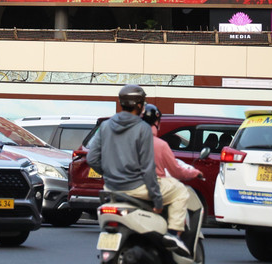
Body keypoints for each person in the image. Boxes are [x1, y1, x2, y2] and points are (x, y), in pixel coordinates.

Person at [87, 85, 187, 253]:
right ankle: (172, 235)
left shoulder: (105, 126)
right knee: (180, 191)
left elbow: (91, 158)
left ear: (122, 103)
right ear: (140, 105)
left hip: (111, 188)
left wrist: (110, 173)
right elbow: (148, 169)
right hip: (137, 188)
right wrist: (157, 201)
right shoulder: (142, 129)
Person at [141, 102, 203, 248]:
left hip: (124, 186)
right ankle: (174, 234)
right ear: (156, 123)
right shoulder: (160, 145)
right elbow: (176, 171)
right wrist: (195, 173)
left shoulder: (127, 141)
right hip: (151, 186)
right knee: (180, 192)